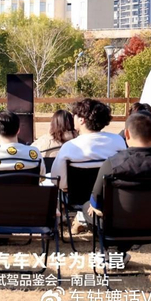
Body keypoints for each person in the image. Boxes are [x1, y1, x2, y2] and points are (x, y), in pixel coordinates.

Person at [84, 111, 151, 261]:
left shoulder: (112, 164)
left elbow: (96, 201)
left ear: (127, 134)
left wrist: (94, 206)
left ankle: (113, 251)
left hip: (119, 227)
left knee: (89, 208)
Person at [50, 98, 127, 233]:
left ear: (81, 120)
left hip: (76, 198)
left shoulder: (70, 147)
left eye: (74, 115)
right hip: (111, 197)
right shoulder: (118, 141)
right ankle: (82, 219)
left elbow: (57, 180)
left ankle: (79, 219)